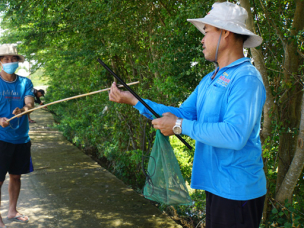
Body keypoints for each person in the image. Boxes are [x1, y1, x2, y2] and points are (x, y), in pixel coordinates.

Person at [109, 2, 266, 228]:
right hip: (216, 186)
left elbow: (234, 134)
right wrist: (134, 100)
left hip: (237, 192)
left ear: (226, 32)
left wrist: (180, 126)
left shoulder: (246, 78)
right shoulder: (209, 80)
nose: (202, 39)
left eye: (206, 32)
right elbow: (183, 113)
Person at [0, 44, 34, 228]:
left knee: (16, 177)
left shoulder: (25, 83)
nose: (10, 62)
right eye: (6, 59)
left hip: (21, 139)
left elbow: (30, 105)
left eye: (13, 58)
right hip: (0, 139)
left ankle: (12, 211)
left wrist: (23, 110)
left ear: (17, 61)